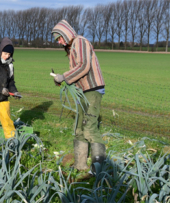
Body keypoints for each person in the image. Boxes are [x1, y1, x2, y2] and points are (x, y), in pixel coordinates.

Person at [50, 20, 107, 173]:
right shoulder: (72, 47)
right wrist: (64, 82)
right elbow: (76, 73)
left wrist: (65, 77)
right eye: (57, 40)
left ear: (66, 33)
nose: (59, 42)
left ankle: (98, 169)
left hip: (93, 89)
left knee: (89, 128)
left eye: (60, 38)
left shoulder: (80, 42)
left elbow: (83, 66)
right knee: (79, 129)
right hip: (83, 91)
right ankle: (80, 165)